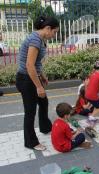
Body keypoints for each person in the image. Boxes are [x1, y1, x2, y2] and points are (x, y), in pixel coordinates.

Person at [15, 16, 59, 151]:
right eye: (55, 32)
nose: (54, 35)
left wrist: (42, 76)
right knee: (30, 112)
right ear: (47, 28)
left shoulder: (40, 39)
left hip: (32, 77)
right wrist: (39, 86)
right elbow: (29, 65)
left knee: (43, 102)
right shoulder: (35, 39)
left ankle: (45, 127)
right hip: (26, 80)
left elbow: (36, 63)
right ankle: (31, 142)